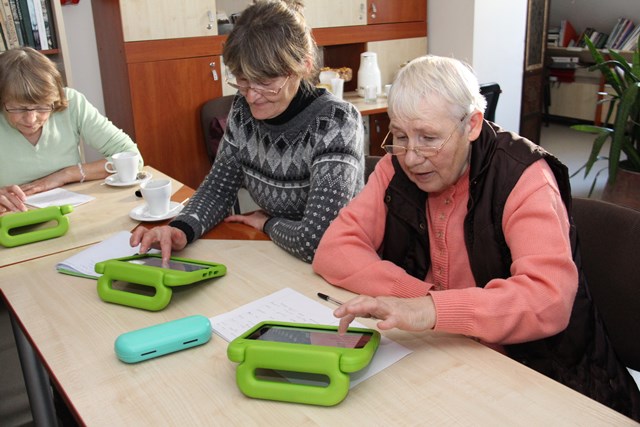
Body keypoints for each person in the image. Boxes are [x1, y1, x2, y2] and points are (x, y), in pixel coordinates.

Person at [312, 55, 640, 420]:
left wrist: (434, 311)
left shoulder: (524, 177)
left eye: (429, 138)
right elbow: (335, 248)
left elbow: (549, 299)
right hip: (451, 354)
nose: (412, 157)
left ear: (472, 125)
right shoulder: (395, 167)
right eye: (400, 136)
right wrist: (424, 299)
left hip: (554, 379)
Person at [131, 0, 364, 264]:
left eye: (265, 83)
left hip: (337, 265)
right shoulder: (243, 112)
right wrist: (180, 229)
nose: (251, 96)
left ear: (304, 66)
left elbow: (317, 241)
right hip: (278, 255)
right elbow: (218, 189)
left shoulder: (335, 122)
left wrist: (267, 223)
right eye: (242, 80)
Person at [0, 47, 142, 213]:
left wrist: (66, 175)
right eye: (19, 109)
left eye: (42, 107)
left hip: (72, 212)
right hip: (12, 220)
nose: (31, 119)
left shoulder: (72, 102)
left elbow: (132, 157)